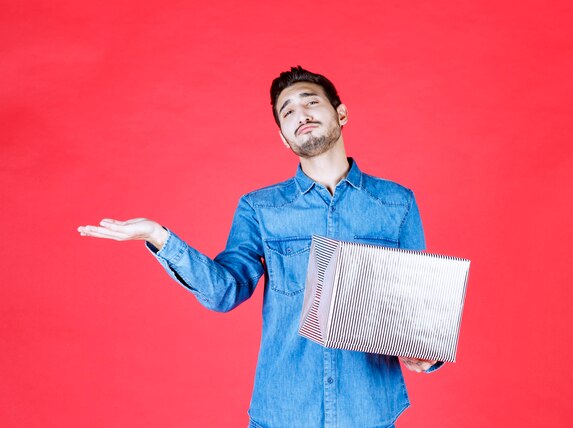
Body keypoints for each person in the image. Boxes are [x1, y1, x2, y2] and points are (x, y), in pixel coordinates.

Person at [78, 66, 442, 428]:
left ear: (341, 114)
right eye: (287, 112)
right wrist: (159, 237)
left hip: (370, 413)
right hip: (282, 413)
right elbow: (225, 292)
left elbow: (417, 314)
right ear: (284, 138)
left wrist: (425, 354)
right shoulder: (260, 208)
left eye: (310, 102)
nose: (300, 115)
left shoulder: (397, 203)